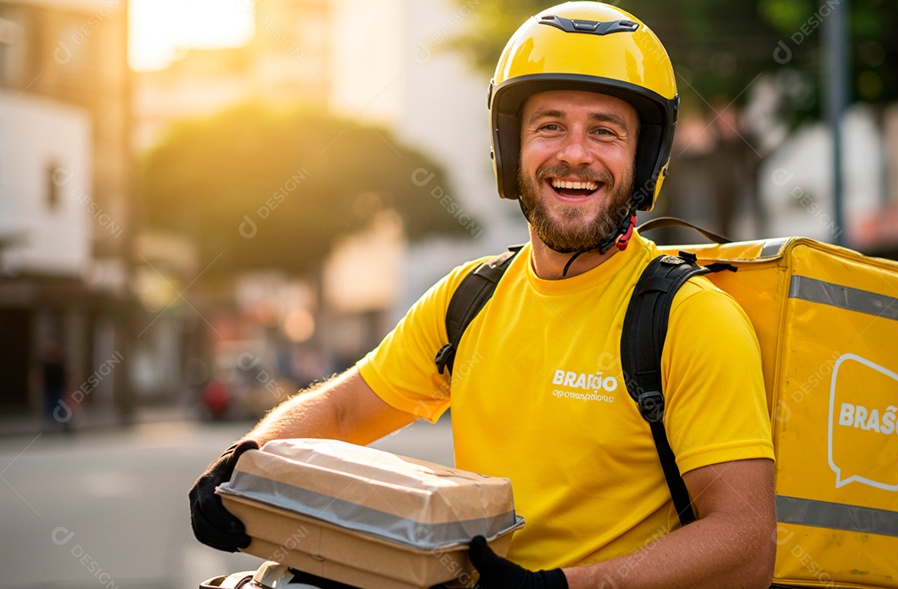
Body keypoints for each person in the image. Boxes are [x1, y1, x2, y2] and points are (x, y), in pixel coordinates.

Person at [189, 3, 776, 588]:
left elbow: (745, 545)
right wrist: (247, 458)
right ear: (510, 147)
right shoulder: (469, 298)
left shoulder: (690, 319)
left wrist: (562, 587)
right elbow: (344, 410)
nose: (575, 153)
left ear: (645, 159)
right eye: (550, 127)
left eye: (605, 130)